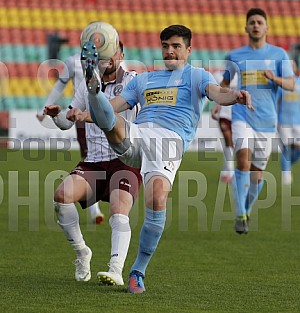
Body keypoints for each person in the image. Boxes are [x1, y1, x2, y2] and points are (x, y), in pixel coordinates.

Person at [82, 24, 252, 293]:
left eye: (176, 46)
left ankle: (137, 271)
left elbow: (217, 92)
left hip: (169, 143)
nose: (170, 51)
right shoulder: (144, 80)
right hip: (138, 134)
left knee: (157, 199)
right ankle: (93, 88)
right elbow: (114, 106)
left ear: (188, 50)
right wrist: (85, 114)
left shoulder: (196, 75)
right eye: (165, 46)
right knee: (112, 123)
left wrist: (235, 96)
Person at [44, 38, 142, 286]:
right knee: (61, 197)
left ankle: (116, 270)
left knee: (119, 212)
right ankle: (82, 252)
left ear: (121, 54)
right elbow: (68, 122)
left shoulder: (133, 82)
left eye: (113, 51)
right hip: (95, 162)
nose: (108, 57)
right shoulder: (86, 87)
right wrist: (58, 116)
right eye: (103, 54)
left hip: (125, 160)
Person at [220, 8, 295, 234]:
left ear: (266, 27)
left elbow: (292, 84)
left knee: (256, 174)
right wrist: (219, 102)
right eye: (251, 22)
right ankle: (240, 213)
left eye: (259, 22)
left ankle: (246, 209)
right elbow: (224, 84)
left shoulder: (279, 55)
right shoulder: (235, 56)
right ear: (246, 27)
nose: (255, 25)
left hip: (267, 119)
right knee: (242, 158)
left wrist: (276, 78)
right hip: (243, 115)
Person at [37, 50, 104, 224]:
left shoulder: (108, 59)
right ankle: (94, 208)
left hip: (105, 112)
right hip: (80, 113)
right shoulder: (73, 61)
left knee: (106, 157)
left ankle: (107, 200)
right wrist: (44, 108)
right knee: (89, 157)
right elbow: (60, 84)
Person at [211, 71, 236, 183]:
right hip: (224, 114)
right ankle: (230, 171)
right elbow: (217, 94)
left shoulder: (241, 76)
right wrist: (217, 106)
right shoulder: (218, 76)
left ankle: (227, 170)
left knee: (235, 143)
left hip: (238, 115)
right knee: (228, 140)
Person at [277, 60, 300, 185]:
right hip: (284, 121)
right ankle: (285, 174)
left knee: (297, 149)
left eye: (292, 66)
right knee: (287, 148)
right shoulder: (281, 84)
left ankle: (288, 165)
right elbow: (276, 103)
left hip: (298, 121)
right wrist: (276, 121)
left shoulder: (299, 82)